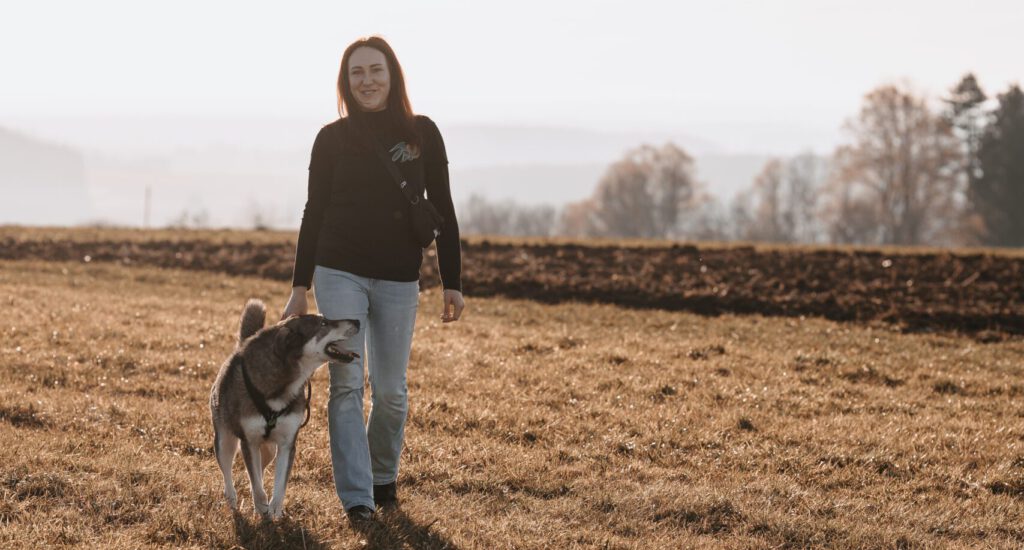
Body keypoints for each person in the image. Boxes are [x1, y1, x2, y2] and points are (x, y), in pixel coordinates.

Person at [280, 35, 465, 524]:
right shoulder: (331, 139)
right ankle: (357, 498)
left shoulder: (422, 133)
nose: (367, 81)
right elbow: (313, 213)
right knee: (346, 384)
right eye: (357, 72)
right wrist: (300, 286)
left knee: (391, 391)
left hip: (400, 279)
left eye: (376, 70)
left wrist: (453, 280)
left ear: (393, 75)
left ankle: (383, 478)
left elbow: (443, 207)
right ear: (346, 82)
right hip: (338, 271)